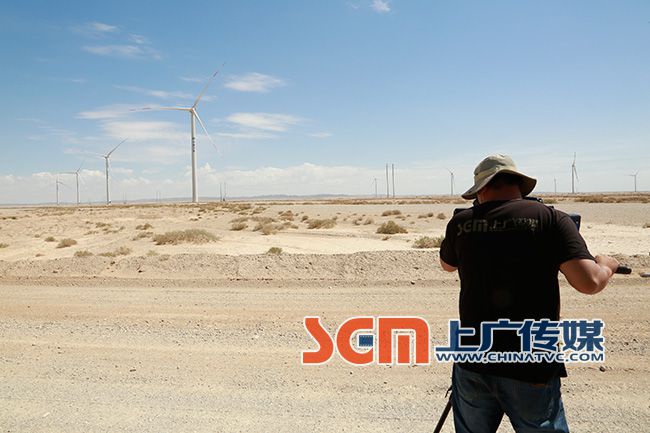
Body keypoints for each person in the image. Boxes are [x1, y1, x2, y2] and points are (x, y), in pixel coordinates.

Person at [439, 154, 619, 433]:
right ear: (519, 185)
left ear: (482, 189)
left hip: (473, 358)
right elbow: (590, 282)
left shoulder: (461, 223)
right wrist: (606, 265)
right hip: (531, 362)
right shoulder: (551, 219)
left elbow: (447, 265)